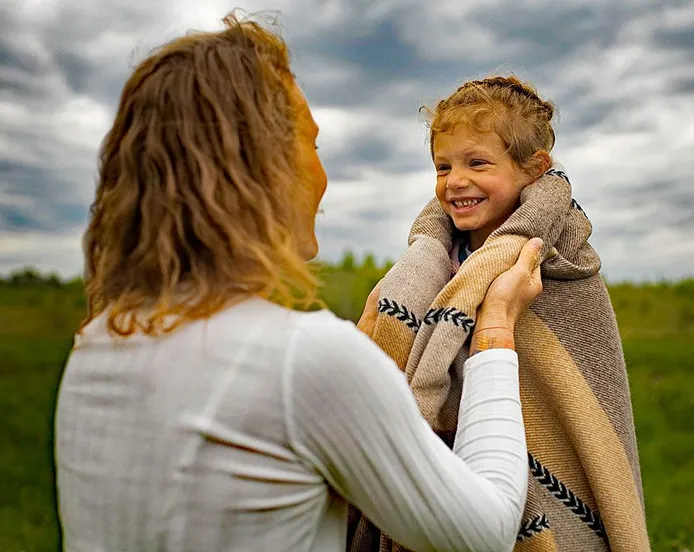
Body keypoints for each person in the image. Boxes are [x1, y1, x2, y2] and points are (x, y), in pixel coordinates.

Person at [53, 14, 546, 552]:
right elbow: (486, 535)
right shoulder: (304, 360)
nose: (322, 172)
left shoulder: (95, 345)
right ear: (263, 166)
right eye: (310, 144)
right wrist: (495, 327)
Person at [349, 77, 650, 551]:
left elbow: (584, 401)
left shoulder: (562, 268)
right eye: (443, 166)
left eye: (478, 163)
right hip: (447, 491)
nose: (455, 181)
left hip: (523, 476)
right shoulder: (431, 264)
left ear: (533, 170)